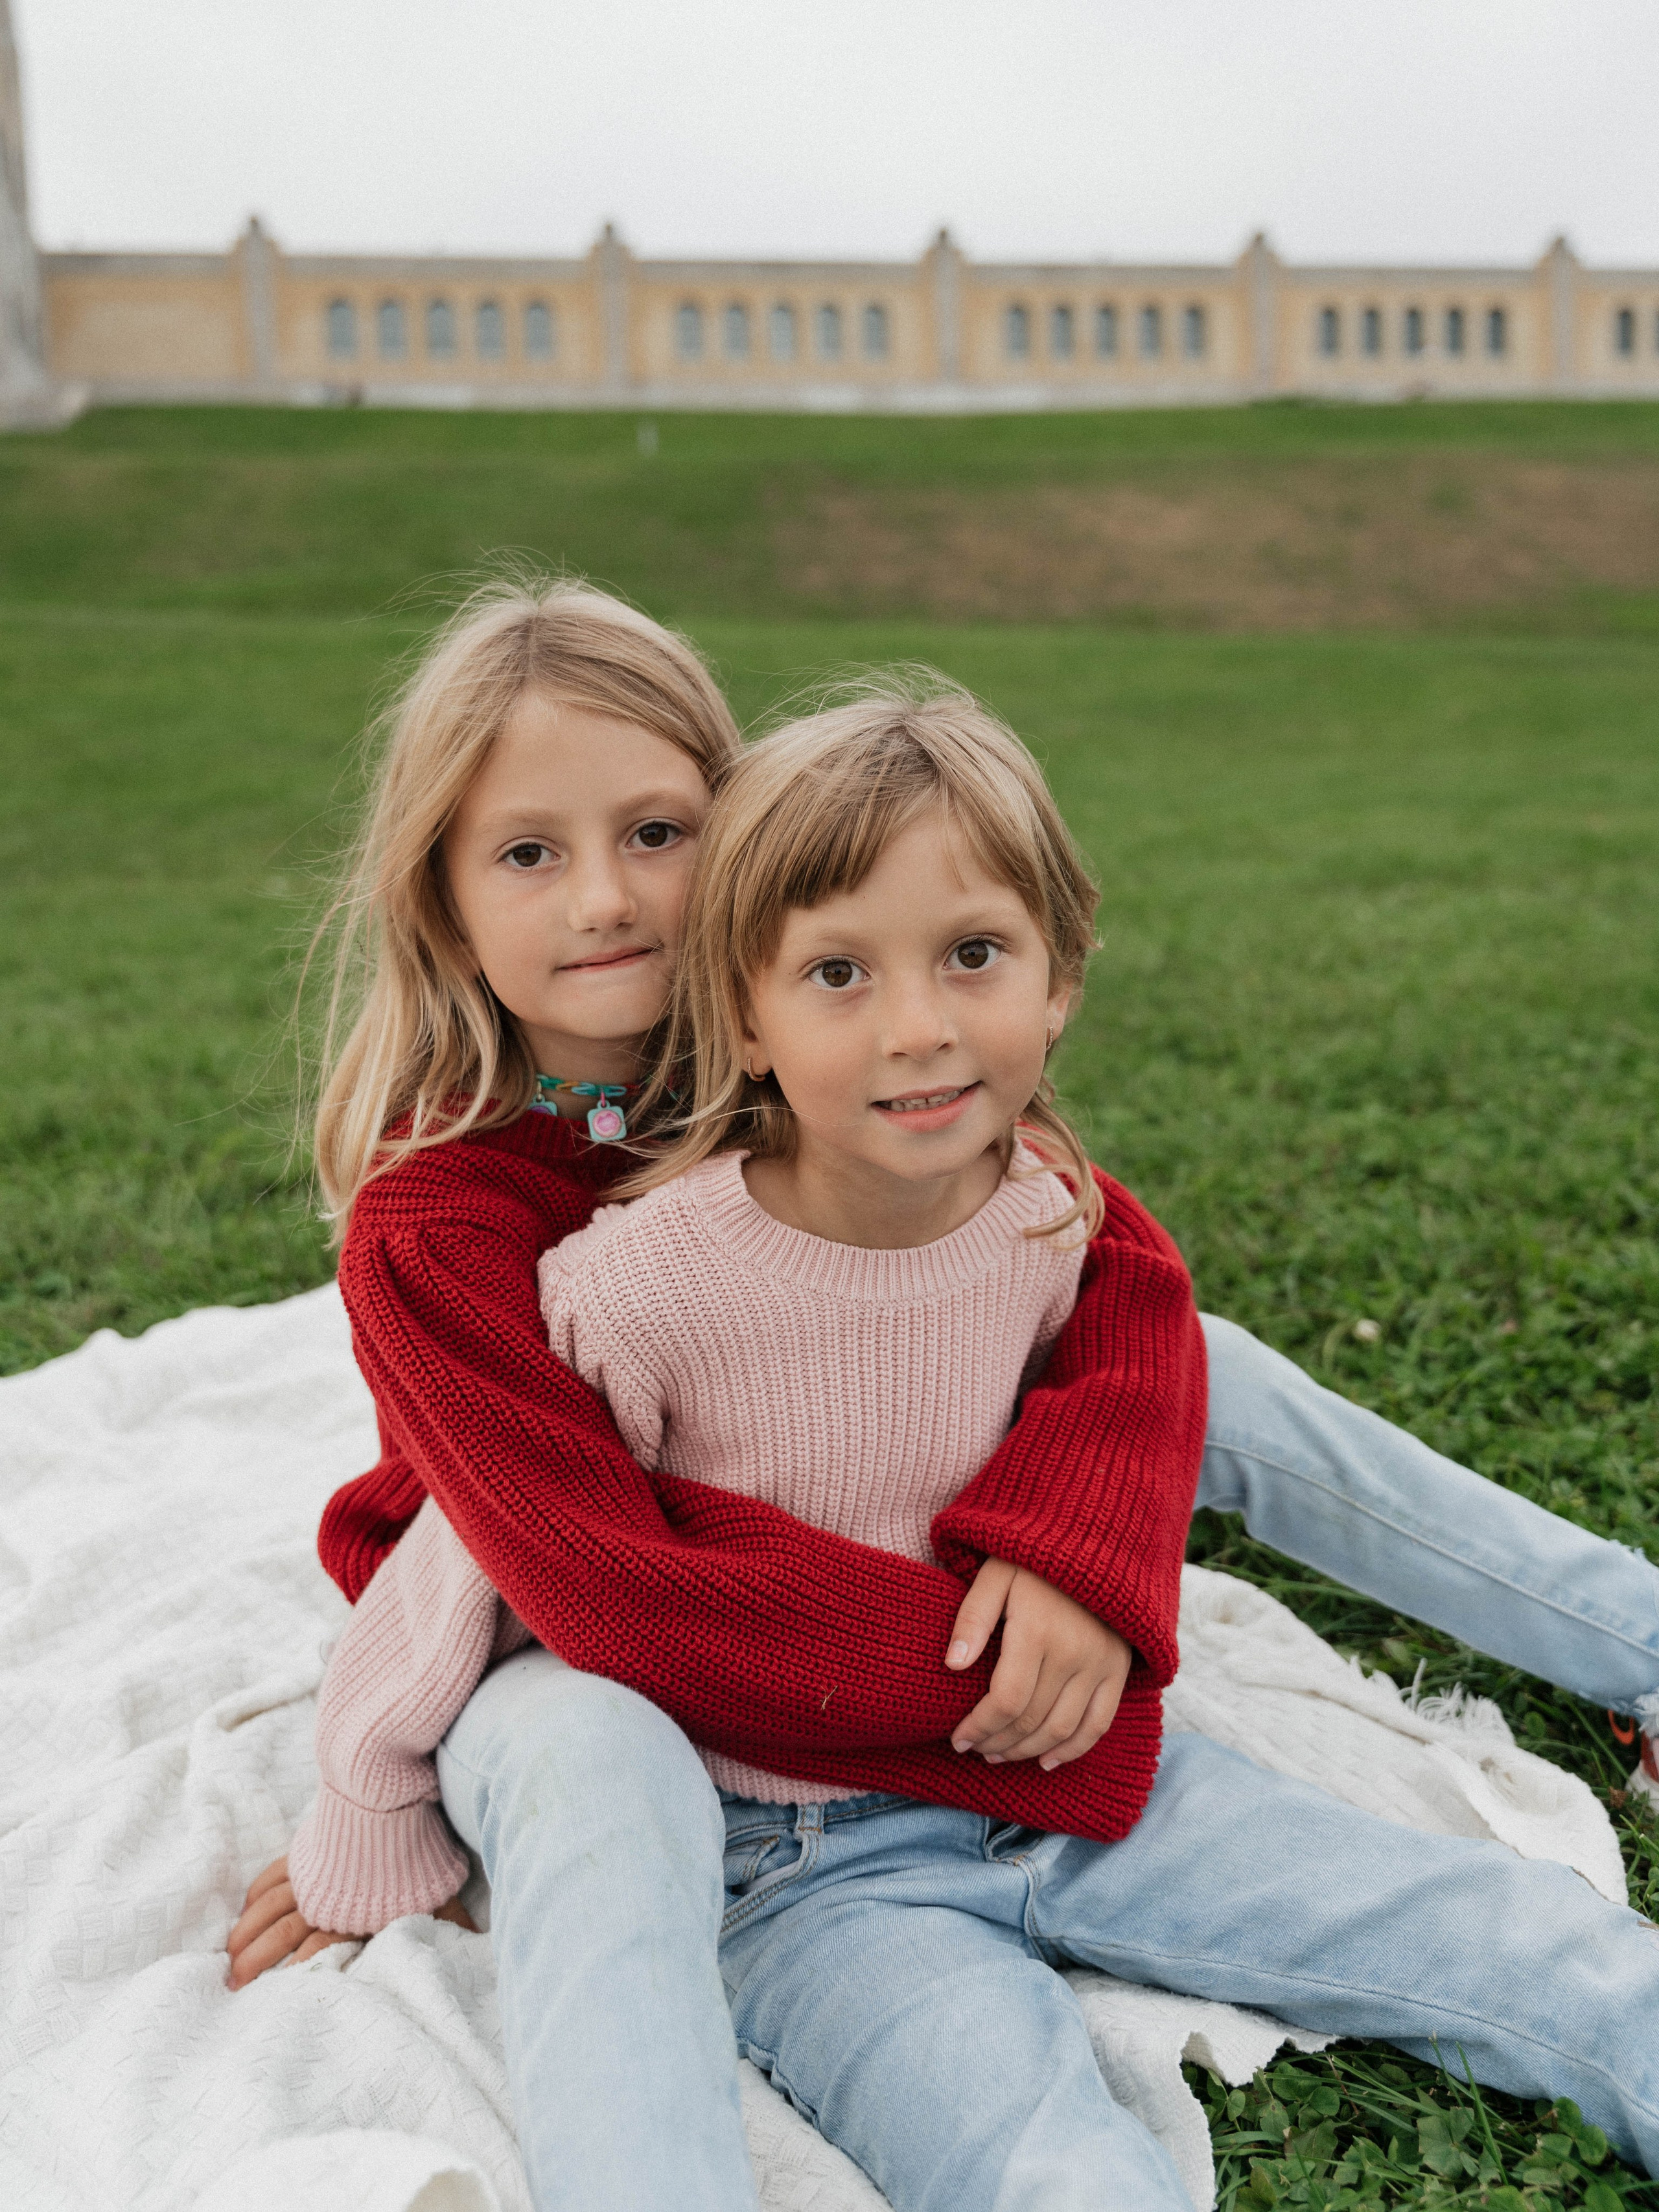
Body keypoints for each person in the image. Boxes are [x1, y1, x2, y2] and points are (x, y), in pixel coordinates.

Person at [224, 588, 1659, 2206]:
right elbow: (593, 1574)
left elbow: (1116, 1265)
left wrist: (1075, 1555)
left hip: (849, 1617)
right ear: (443, 897)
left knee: (1188, 1357)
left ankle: (1636, 1638)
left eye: (656, 830)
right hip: (543, 1622)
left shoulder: (847, 1057)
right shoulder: (453, 1219)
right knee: (596, 1750)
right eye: (528, 854)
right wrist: (1010, 1679)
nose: (608, 896)